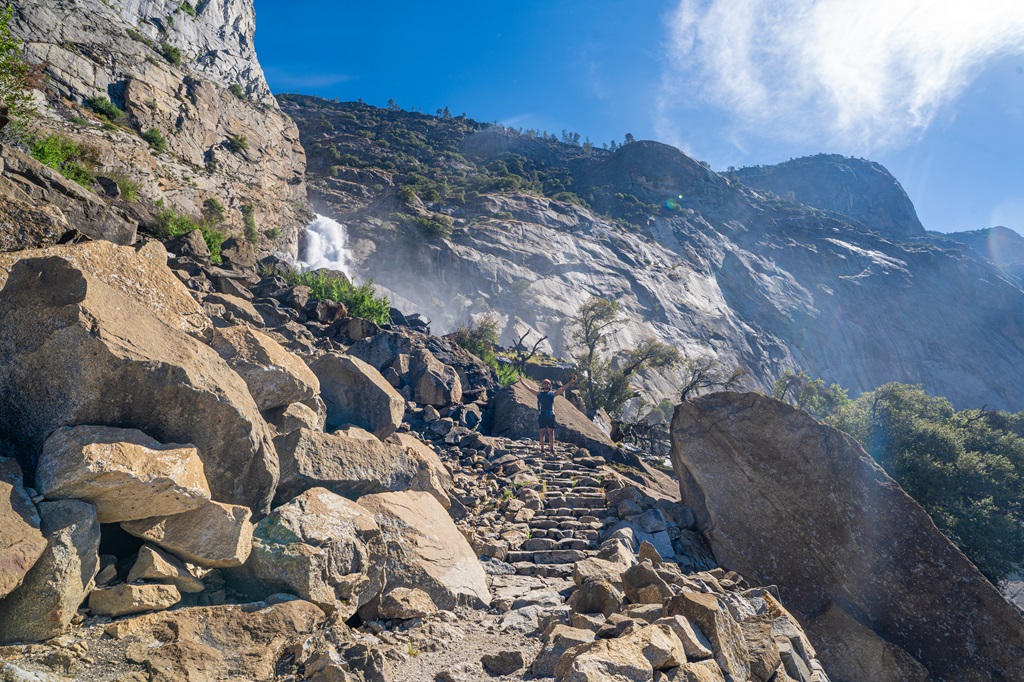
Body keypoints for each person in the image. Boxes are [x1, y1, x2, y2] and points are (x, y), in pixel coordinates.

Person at [518, 374, 577, 455]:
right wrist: (521, 381)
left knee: (551, 432)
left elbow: (563, 388)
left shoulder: (553, 394)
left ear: (549, 385)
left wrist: (571, 381)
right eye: (545, 384)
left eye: (547, 384)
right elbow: (529, 388)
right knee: (542, 432)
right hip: (542, 414)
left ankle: (552, 448)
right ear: (542, 385)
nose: (546, 385)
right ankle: (542, 448)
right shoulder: (539, 394)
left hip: (550, 414)